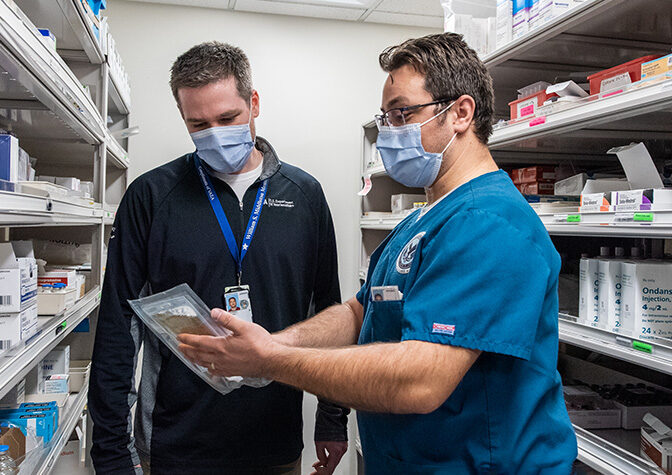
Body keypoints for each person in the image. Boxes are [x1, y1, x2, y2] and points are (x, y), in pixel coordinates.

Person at [179, 33, 578, 473]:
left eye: (402, 113)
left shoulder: (489, 223)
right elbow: (359, 312)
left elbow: (421, 381)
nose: (389, 131)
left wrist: (271, 360)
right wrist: (276, 341)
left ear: (461, 113)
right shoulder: (422, 219)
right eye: (385, 117)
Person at [89, 41, 349, 475]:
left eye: (227, 118)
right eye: (198, 124)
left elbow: (329, 312)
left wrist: (333, 417)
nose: (214, 134)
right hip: (176, 444)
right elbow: (119, 324)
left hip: (275, 442)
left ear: (254, 103)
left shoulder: (304, 196)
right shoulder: (152, 197)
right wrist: (111, 450)